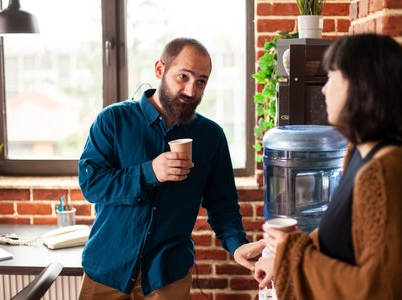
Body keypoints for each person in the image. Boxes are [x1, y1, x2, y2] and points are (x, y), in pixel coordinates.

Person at [77, 37, 263, 299]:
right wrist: (150, 172)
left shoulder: (211, 136)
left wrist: (238, 246)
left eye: (201, 81)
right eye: (183, 76)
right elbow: (91, 184)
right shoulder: (113, 120)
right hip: (106, 270)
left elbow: (223, 207)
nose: (191, 90)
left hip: (167, 277)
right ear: (159, 70)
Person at [254, 33, 402, 299]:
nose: (323, 88)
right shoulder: (359, 151)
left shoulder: (385, 173)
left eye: (332, 76)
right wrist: (280, 260)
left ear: (362, 85)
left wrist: (291, 253)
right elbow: (339, 232)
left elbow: (382, 289)